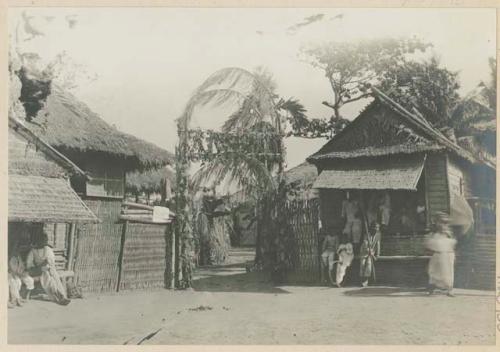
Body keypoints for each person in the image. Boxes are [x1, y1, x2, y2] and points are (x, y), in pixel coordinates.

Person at [26, 232, 70, 305]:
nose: (42, 242)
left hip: (48, 269)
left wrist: (48, 267)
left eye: (43, 241)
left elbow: (51, 262)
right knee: (48, 277)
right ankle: (59, 296)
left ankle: (61, 295)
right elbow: (29, 265)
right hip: (37, 271)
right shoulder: (33, 251)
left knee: (54, 276)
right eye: (40, 241)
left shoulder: (48, 249)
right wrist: (39, 268)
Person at [425, 212, 457, 297]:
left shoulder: (449, 232)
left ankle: (449, 290)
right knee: (434, 271)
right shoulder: (434, 232)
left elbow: (453, 243)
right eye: (440, 222)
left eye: (445, 222)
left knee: (448, 272)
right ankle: (431, 289)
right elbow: (429, 242)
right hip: (438, 254)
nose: (443, 224)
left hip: (448, 254)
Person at [8, 242, 34, 307]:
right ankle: (16, 300)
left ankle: (25, 297)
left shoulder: (18, 256)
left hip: (19, 274)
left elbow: (22, 266)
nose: (17, 251)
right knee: (17, 282)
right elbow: (13, 269)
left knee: (30, 280)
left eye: (18, 249)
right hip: (11, 275)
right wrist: (20, 273)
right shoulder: (12, 258)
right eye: (15, 249)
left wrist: (24, 272)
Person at [360, 223, 381, 287]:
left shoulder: (378, 234)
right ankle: (362, 279)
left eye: (377, 227)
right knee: (362, 264)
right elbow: (365, 243)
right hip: (364, 251)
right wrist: (368, 251)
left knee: (369, 265)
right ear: (371, 228)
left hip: (372, 252)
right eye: (375, 227)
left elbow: (378, 244)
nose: (376, 229)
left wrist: (377, 254)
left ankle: (366, 280)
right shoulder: (367, 234)